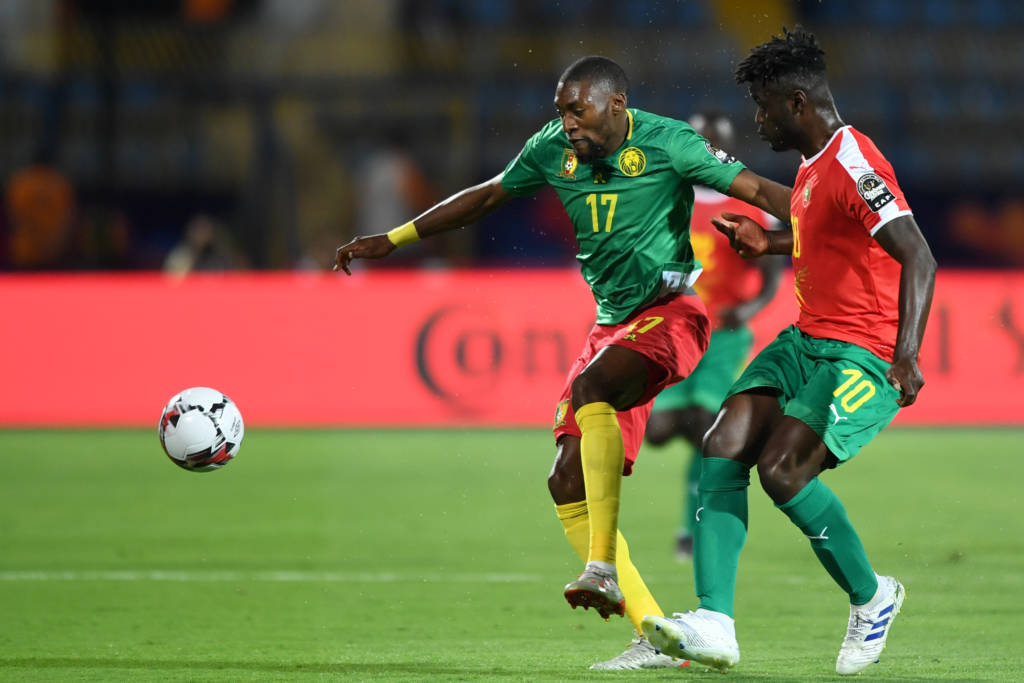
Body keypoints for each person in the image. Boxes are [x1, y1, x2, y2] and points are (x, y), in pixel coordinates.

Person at [335, 56, 791, 669]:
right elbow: (487, 197)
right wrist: (393, 239)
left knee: (594, 389)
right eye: (561, 111)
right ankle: (656, 637)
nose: (567, 122)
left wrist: (832, 220)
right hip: (611, 325)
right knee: (565, 479)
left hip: (672, 313)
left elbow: (759, 191)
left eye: (578, 110)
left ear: (615, 104)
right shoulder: (552, 148)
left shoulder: (670, 144)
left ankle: (601, 565)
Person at [641, 27, 936, 676]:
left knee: (782, 470)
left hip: (862, 354)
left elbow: (918, 254)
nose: (758, 119)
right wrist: (767, 242)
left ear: (797, 103)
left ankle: (872, 597)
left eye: (763, 106)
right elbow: (822, 235)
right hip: (806, 340)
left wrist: (907, 354)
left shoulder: (855, 162)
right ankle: (714, 622)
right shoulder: (812, 166)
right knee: (723, 441)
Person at [643, 111, 784, 562]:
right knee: (660, 430)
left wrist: (751, 309)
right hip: (674, 330)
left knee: (707, 427)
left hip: (723, 336)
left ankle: (693, 528)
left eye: (715, 143)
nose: (706, 151)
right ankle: (698, 494)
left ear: (729, 148)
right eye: (699, 142)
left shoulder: (750, 203)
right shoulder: (665, 197)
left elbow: (772, 272)